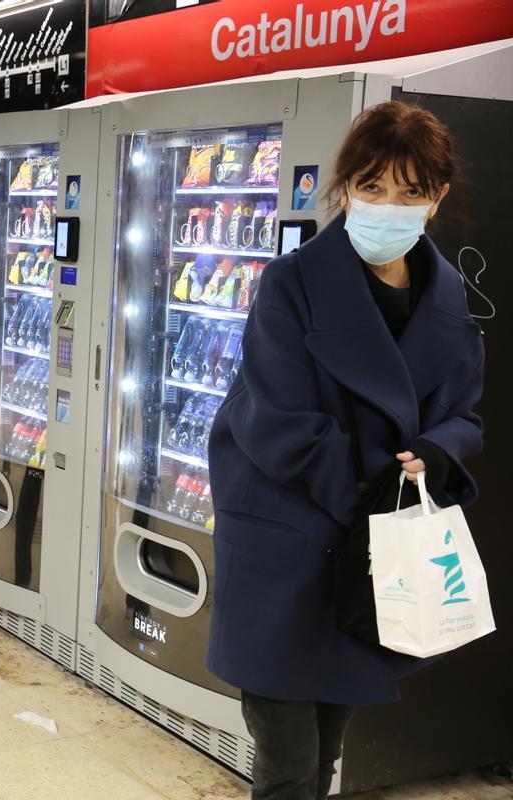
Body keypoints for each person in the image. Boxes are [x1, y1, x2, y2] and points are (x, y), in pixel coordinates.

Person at [206, 101, 484, 800]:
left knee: (327, 752)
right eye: (373, 187)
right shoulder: (291, 285)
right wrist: (384, 486)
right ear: (346, 187)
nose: (388, 206)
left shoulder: (450, 303)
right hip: (289, 539)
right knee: (287, 764)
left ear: (437, 198)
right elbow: (278, 424)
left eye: (411, 192)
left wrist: (435, 451)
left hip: (372, 561)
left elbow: (463, 414)